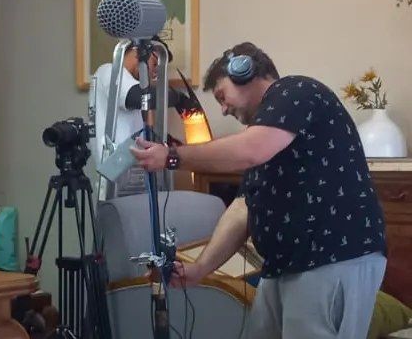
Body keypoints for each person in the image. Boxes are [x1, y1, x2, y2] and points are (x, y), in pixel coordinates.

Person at [131, 42, 387, 338]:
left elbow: (251, 150)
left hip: (332, 257)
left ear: (244, 72)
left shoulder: (295, 91)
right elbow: (243, 208)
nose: (224, 109)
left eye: (222, 96)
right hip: (285, 265)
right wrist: (200, 269)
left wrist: (172, 156)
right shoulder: (266, 133)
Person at [91, 36, 188, 198]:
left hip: (130, 172)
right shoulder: (109, 71)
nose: (155, 73)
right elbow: (140, 97)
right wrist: (179, 98)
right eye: (155, 64)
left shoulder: (130, 82)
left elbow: (134, 129)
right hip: (118, 175)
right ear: (138, 52)